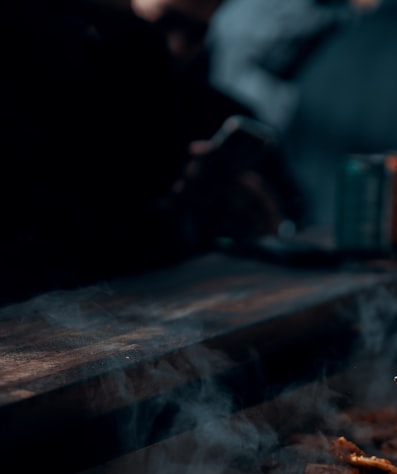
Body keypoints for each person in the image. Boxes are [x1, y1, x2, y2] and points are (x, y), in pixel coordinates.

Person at [0, 0, 302, 306]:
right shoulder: (58, 96)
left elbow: (290, 222)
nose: (177, 47)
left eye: (195, 34)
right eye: (165, 24)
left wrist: (266, 224)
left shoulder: (225, 113)